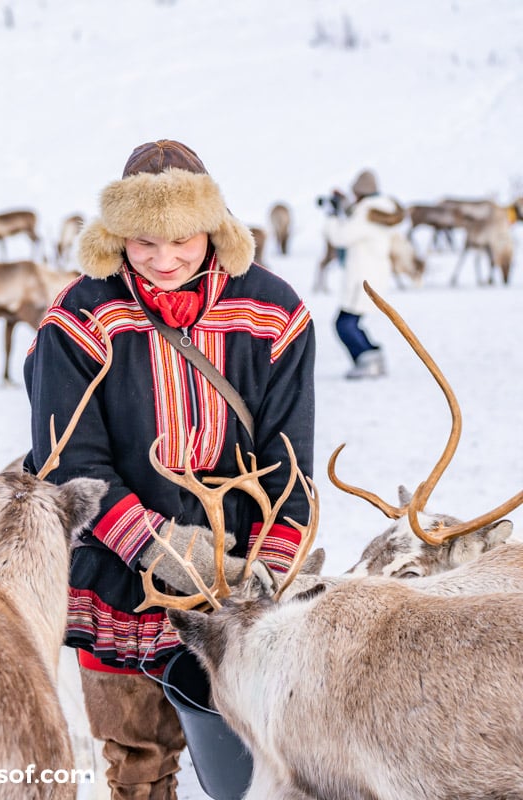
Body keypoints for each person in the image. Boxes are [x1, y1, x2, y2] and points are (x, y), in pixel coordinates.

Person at [22, 139, 315, 800]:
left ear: (213, 227)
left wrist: (269, 568)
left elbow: (288, 461)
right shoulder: (79, 317)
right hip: (117, 577)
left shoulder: (275, 313)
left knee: (258, 764)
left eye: (182, 239)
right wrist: (161, 550)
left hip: (238, 581)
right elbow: (70, 463)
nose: (163, 260)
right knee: (137, 761)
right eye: (142, 242)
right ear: (116, 235)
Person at [324, 168, 403, 379]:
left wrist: (332, 215)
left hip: (362, 280)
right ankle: (375, 360)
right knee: (351, 322)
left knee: (344, 324)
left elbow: (341, 236)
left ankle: (367, 361)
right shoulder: (378, 211)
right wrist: (345, 207)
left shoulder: (367, 214)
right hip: (372, 276)